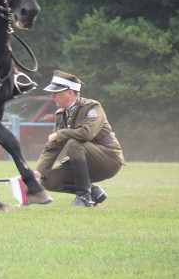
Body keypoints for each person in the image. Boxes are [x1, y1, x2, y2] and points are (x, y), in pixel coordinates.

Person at [32, 70, 125, 207]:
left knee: (73, 143)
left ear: (70, 92)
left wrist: (60, 134)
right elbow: (53, 146)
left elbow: (87, 133)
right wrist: (38, 171)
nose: (53, 96)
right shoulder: (61, 114)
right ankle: (93, 191)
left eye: (56, 92)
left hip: (108, 159)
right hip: (84, 161)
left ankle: (84, 197)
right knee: (49, 180)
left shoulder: (92, 107)